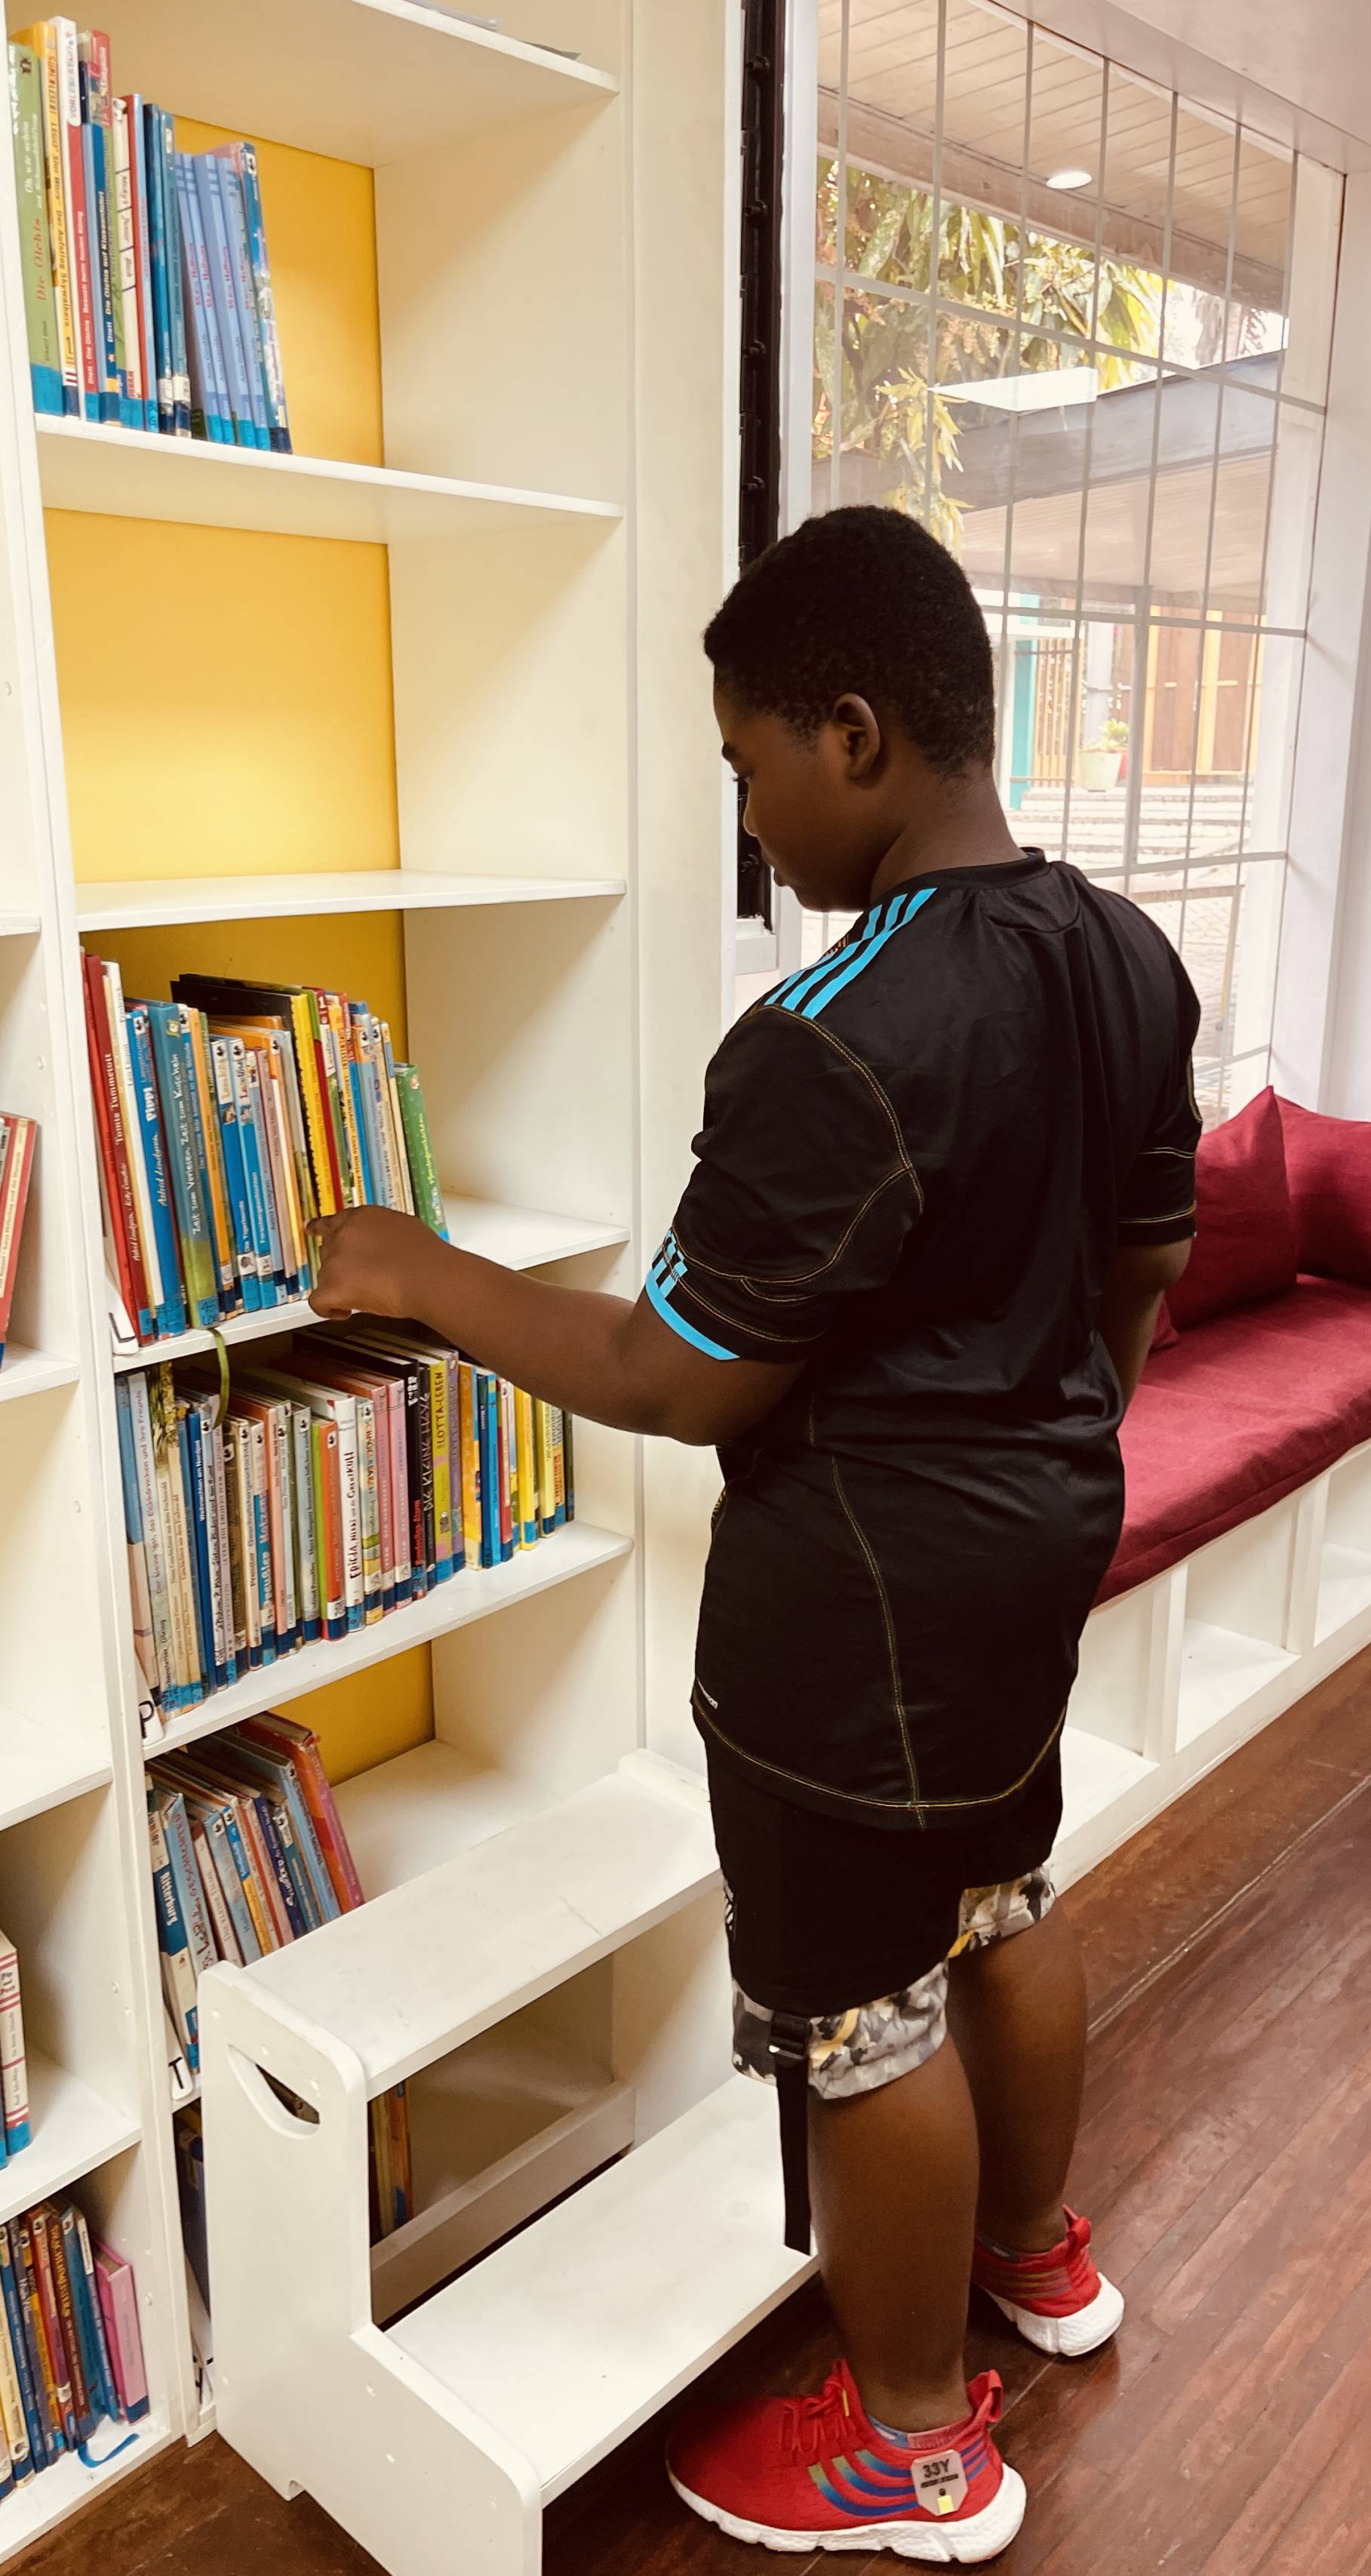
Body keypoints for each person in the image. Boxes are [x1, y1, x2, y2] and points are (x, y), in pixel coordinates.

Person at [306, 505, 1200, 2564]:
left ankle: (911, 2449)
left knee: (862, 2010)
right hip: (1040, 1549)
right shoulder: (1126, 958)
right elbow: (1143, 1261)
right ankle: (1035, 2258)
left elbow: (671, 1374)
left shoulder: (830, 1034)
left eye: (747, 763)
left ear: (855, 734)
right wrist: (1049, 1438)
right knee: (1002, 1893)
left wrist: (418, 1269)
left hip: (854, 1612)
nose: (747, 810)